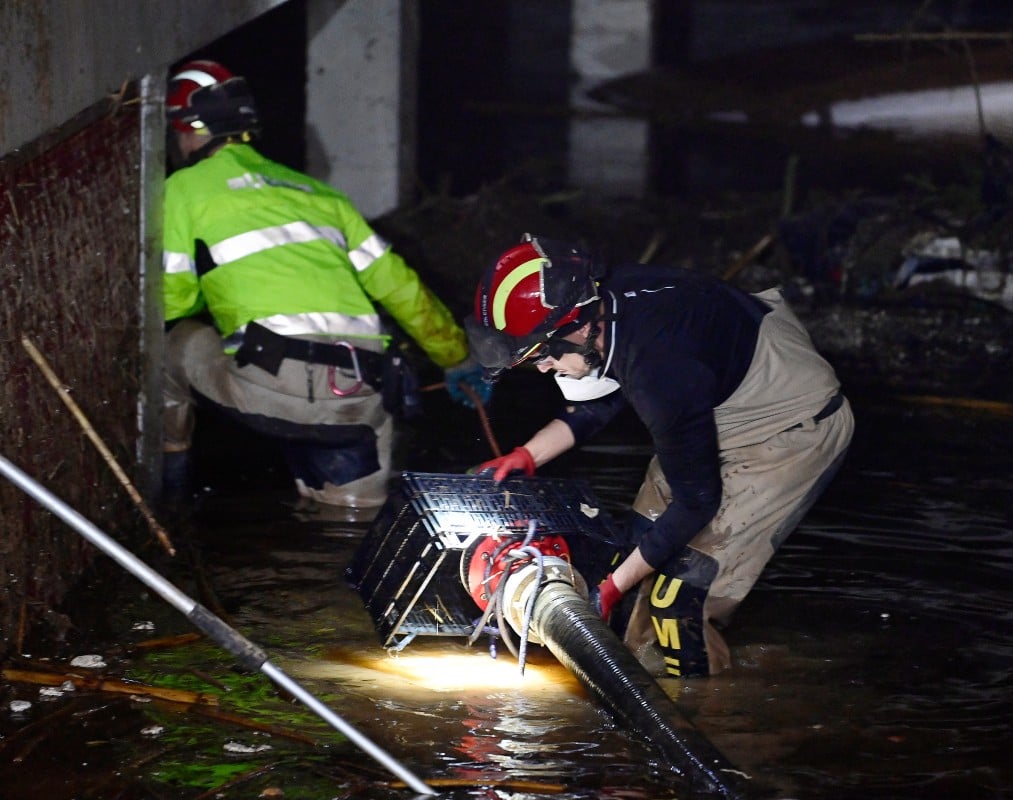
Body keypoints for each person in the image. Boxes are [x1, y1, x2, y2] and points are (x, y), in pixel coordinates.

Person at [467, 234, 854, 677]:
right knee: (630, 558)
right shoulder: (602, 308)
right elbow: (603, 397)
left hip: (789, 425)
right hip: (718, 395)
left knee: (676, 603)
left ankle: (708, 714)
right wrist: (527, 455)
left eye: (540, 355)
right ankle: (641, 679)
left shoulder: (659, 368)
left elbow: (697, 501)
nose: (541, 368)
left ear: (575, 327)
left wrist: (609, 589)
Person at [161, 60, 489, 509]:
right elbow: (401, 289)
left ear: (187, 131)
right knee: (350, 524)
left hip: (273, 384)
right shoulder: (322, 195)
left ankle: (167, 495)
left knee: (169, 344)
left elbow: (173, 299)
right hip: (363, 391)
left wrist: (216, 294)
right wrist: (455, 358)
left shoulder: (184, 188)